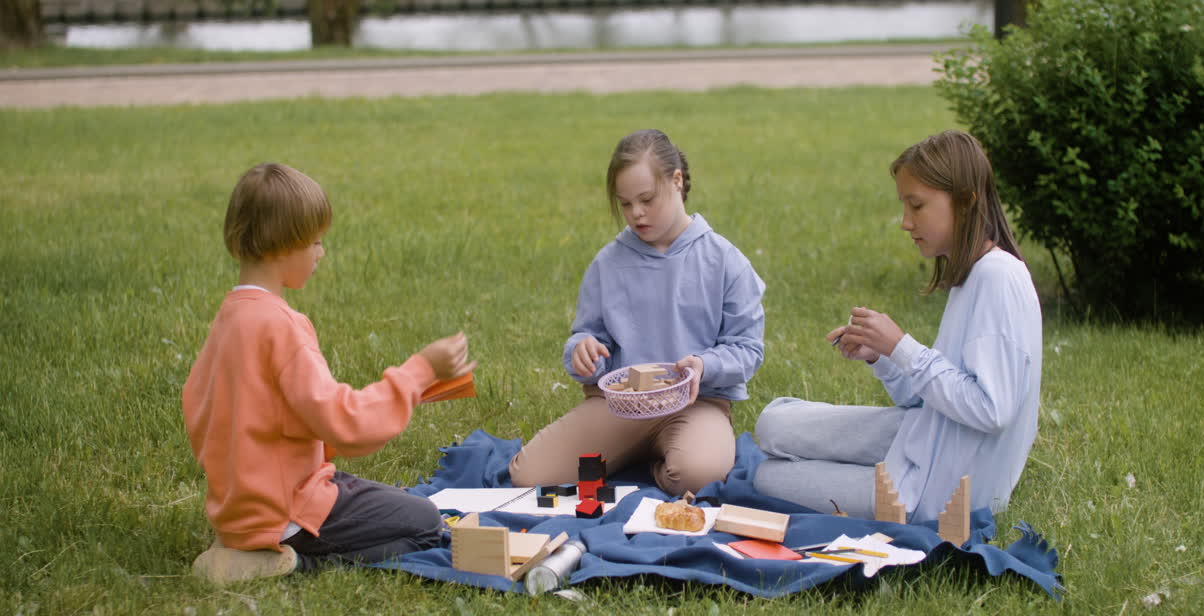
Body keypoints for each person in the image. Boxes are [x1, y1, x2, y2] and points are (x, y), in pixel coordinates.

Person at [183, 162, 476, 585]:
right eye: (316, 242)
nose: (321, 253)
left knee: (392, 501)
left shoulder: (229, 319)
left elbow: (202, 411)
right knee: (425, 521)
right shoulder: (281, 326)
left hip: (238, 512)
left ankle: (242, 549)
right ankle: (285, 562)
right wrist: (421, 370)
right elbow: (346, 423)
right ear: (282, 245)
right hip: (286, 514)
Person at [753, 130, 1041, 523]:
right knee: (772, 424)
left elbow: (991, 411)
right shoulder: (974, 275)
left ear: (965, 200)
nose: (906, 223)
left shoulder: (998, 278)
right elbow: (935, 397)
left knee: (768, 476)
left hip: (933, 493)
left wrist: (903, 346)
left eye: (917, 206)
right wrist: (885, 356)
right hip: (924, 435)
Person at [509, 129, 765, 496]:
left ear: (677, 181)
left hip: (697, 405)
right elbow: (588, 335)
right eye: (625, 204)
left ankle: (649, 459)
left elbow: (748, 351)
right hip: (618, 406)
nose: (636, 213)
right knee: (530, 476)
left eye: (646, 199)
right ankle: (629, 452)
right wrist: (582, 350)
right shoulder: (609, 262)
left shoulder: (725, 261)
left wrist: (703, 366)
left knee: (700, 477)